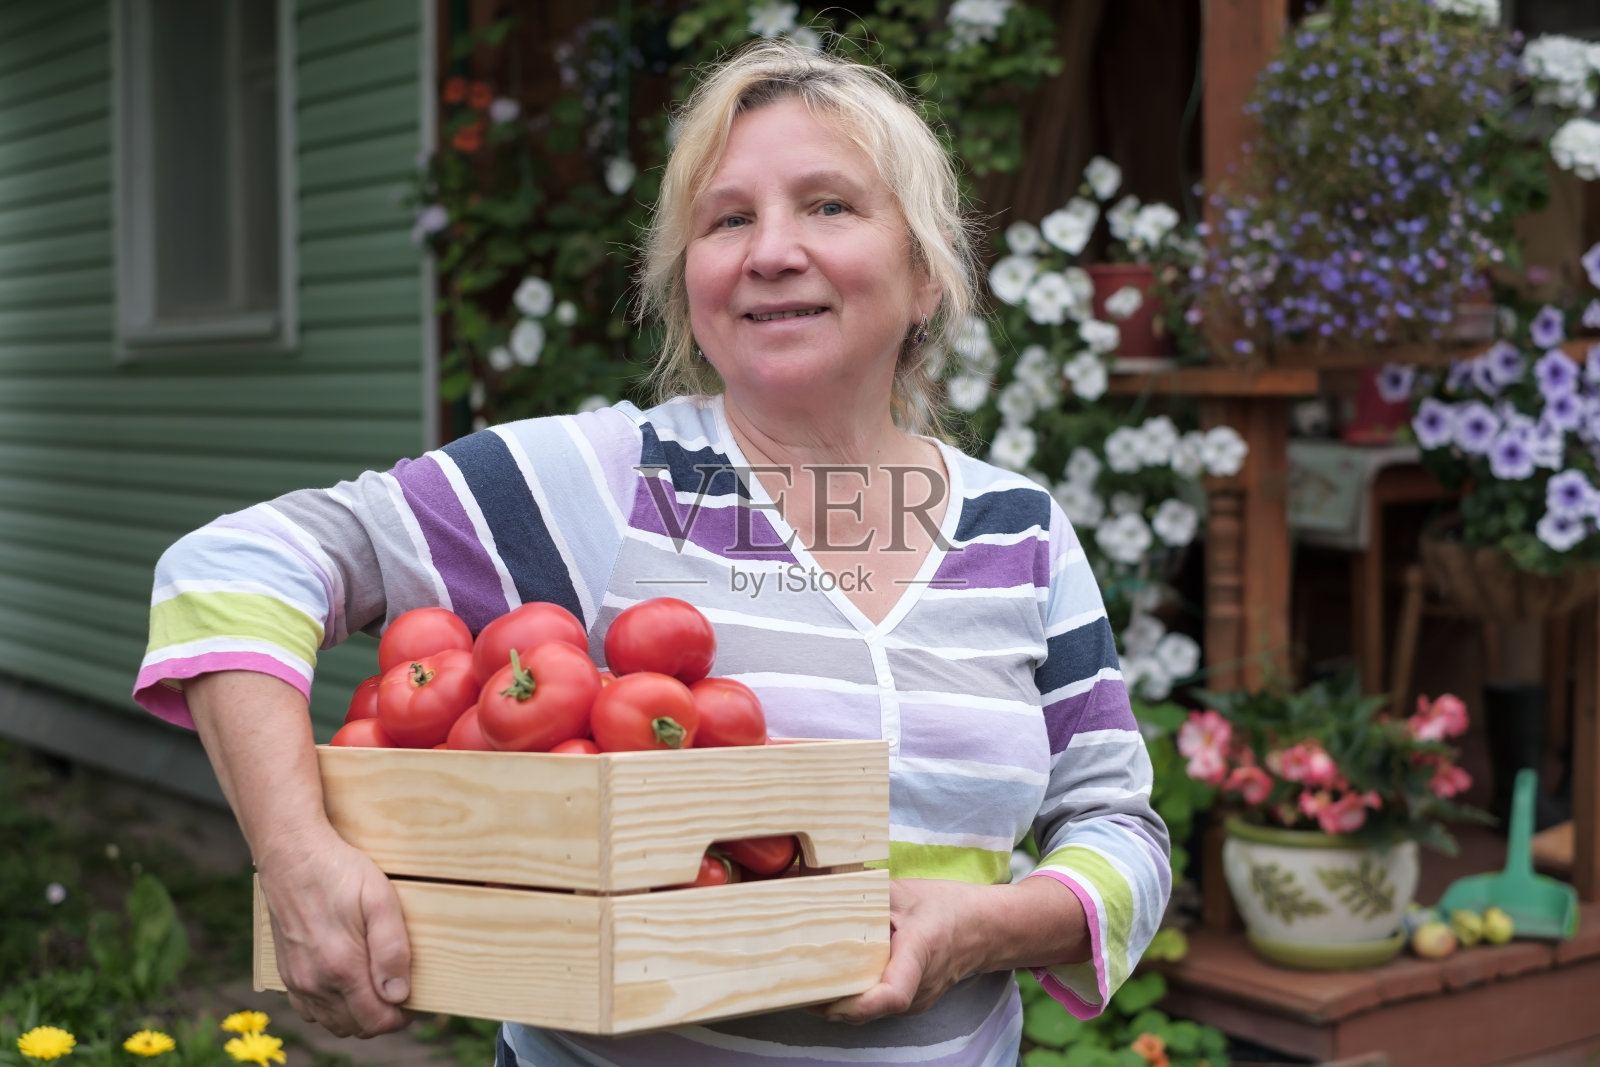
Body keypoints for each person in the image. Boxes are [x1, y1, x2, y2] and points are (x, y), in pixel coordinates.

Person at [134, 39, 1170, 1067]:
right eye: (728, 219)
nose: (770, 249)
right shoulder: (604, 479)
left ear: (925, 273)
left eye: (828, 205)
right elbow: (231, 567)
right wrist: (296, 852)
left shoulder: (1018, 528)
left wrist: (988, 927)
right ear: (692, 286)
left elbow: (1118, 826)